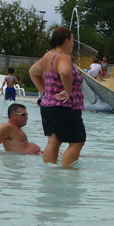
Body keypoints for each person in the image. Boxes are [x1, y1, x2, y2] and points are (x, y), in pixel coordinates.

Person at [29, 26, 86, 167]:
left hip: (48, 106)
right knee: (77, 142)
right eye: (73, 40)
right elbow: (65, 73)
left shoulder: (47, 56)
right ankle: (67, 173)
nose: (73, 44)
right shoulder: (63, 57)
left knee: (53, 141)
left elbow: (33, 72)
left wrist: (44, 90)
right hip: (64, 106)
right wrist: (68, 91)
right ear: (66, 41)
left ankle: (50, 174)